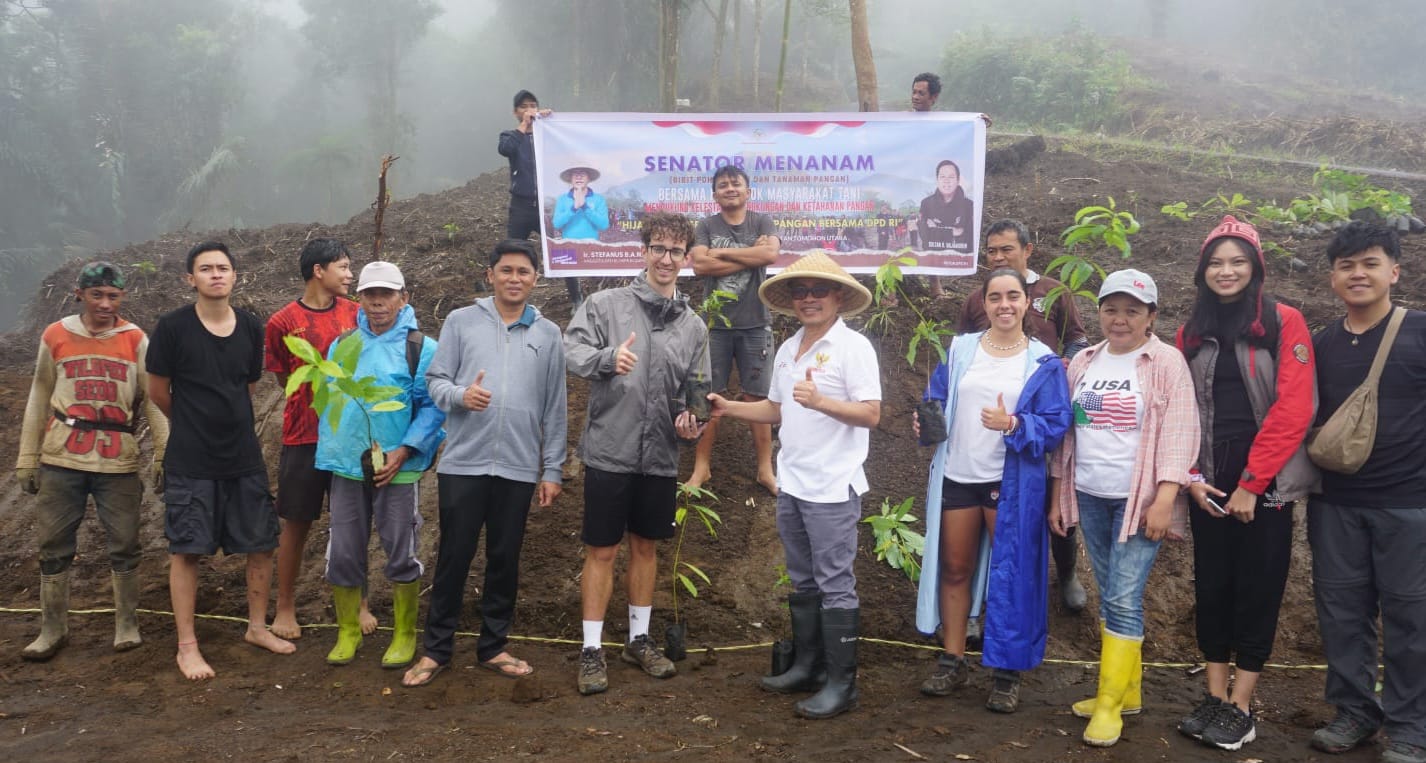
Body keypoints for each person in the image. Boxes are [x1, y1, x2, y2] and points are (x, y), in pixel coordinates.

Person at [709, 251, 881, 721]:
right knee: (803, 579)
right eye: (800, 291)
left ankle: (843, 684)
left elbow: (871, 413)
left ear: (838, 296)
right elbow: (776, 409)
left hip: (833, 486)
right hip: (794, 482)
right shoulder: (788, 349)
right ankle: (809, 667)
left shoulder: (854, 348)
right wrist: (728, 407)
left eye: (818, 290)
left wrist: (822, 401)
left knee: (835, 583)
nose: (808, 298)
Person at [1171, 216, 1317, 751]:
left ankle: (1241, 705)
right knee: (1213, 587)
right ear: (1202, 271)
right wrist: (1191, 477)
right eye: (1215, 262)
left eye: (1237, 261)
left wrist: (1253, 485)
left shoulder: (1283, 322)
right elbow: (1179, 410)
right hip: (1209, 482)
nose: (1226, 271)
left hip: (1266, 485)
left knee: (1258, 588)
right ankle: (1214, 696)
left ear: (1255, 268)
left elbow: (1293, 407)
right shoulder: (1191, 331)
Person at [402, 240, 567, 687]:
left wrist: (552, 469)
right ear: (490, 275)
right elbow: (435, 381)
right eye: (506, 270)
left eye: (524, 272)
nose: (515, 278)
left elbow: (555, 406)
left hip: (518, 466)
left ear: (535, 279)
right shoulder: (461, 322)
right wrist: (461, 395)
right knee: (453, 557)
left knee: (504, 558)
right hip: (464, 464)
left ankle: (493, 645)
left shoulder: (548, 334)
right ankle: (436, 649)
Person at [1049, 269, 1199, 747]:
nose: (1120, 319)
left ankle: (1109, 704)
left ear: (1151, 316)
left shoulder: (1166, 361)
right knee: (1112, 590)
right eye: (1111, 309)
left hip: (1140, 499)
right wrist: (1058, 494)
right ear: (1099, 313)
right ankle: (1127, 692)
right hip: (1091, 492)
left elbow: (1180, 430)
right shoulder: (1084, 361)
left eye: (1132, 311)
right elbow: (1067, 434)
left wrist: (1166, 497)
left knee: (1121, 596)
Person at [563, 210, 709, 696]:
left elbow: (698, 390)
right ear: (643, 251)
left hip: (660, 456)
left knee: (646, 547)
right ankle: (591, 648)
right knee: (602, 549)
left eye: (675, 251)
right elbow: (572, 350)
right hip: (610, 449)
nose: (666, 258)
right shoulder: (606, 306)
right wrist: (609, 358)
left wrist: (692, 422)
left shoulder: (693, 326)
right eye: (658, 248)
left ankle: (639, 640)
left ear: (685, 258)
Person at [915, 268, 1072, 713]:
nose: (1005, 305)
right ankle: (952, 659)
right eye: (995, 297)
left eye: (1013, 296)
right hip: (959, 473)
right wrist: (926, 421)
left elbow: (1057, 423)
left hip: (1010, 481)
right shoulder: (962, 349)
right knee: (955, 568)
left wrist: (1014, 423)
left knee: (1012, 572)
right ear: (984, 304)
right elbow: (937, 395)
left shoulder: (1042, 361)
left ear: (1027, 303)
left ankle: (1006, 672)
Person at [147, 241, 296, 679]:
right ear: (190, 279)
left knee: (261, 543)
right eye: (206, 268)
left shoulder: (250, 326)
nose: (216, 275)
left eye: (223, 268)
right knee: (187, 549)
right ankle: (187, 646)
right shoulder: (172, 327)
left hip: (243, 456)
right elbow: (158, 392)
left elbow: (247, 386)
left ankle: (256, 628)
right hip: (191, 459)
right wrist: (193, 422)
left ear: (235, 276)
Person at [1307, 222, 1426, 763]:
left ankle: (1411, 725)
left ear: (1394, 272)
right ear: (1333, 277)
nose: (1358, 274)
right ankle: (1355, 711)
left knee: (1411, 617)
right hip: (1336, 503)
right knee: (1341, 612)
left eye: (1370, 263)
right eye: (1346, 265)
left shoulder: (1419, 332)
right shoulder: (1321, 345)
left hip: (1410, 504)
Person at [15, 262, 169, 660]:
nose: (105, 304)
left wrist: (163, 454)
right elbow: (39, 393)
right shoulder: (56, 335)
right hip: (62, 455)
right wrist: (27, 456)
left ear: (122, 297)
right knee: (53, 543)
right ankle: (52, 628)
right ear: (79, 295)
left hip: (117, 458)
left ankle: (126, 623)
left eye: (113, 296)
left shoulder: (135, 339)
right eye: (96, 295)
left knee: (125, 541)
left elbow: (153, 399)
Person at [315, 261, 444, 669]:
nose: (377, 302)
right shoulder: (344, 345)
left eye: (386, 294)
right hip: (348, 466)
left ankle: (404, 633)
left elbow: (433, 407)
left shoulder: (421, 348)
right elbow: (331, 398)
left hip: (398, 468)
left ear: (403, 298)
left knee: (401, 549)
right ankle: (348, 630)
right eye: (370, 294)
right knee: (344, 551)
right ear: (360, 299)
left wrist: (403, 450)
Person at [959, 220, 1090, 617]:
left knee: (1055, 491)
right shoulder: (977, 299)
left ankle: (1066, 572)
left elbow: (1077, 339)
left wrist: (1064, 366)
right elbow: (963, 349)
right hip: (995, 416)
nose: (999, 257)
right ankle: (986, 591)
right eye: (992, 251)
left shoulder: (1053, 292)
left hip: (1044, 410)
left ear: (1028, 250)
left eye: (1007, 249)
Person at [263, 238, 375, 641]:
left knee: (354, 524)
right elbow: (285, 379)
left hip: (349, 436)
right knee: (296, 522)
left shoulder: (355, 314)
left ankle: (360, 602)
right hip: (304, 436)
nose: (350, 275)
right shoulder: (282, 322)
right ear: (318, 270)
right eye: (343, 267)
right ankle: (285, 606)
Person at [688, 164, 781, 495]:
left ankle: (765, 470)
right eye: (723, 185)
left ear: (748, 191)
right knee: (708, 395)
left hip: (756, 323)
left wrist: (723, 252)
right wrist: (751, 254)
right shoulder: (706, 225)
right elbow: (700, 264)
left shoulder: (762, 221)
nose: (730, 188)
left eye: (735, 183)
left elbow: (770, 253)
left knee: (758, 396)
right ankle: (701, 467)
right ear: (714, 194)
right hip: (715, 326)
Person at [498, 89, 582, 308]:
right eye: (524, 107)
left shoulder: (547, 134)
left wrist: (552, 123)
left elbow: (568, 145)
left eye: (533, 106)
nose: (529, 110)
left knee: (563, 248)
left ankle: (576, 299)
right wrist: (524, 126)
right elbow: (505, 149)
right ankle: (510, 301)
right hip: (521, 207)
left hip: (548, 206)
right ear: (515, 112)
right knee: (512, 253)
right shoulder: (510, 136)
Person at [918, 160, 974, 254]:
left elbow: (969, 239)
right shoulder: (926, 204)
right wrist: (954, 232)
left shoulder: (969, 205)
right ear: (937, 180)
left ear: (958, 180)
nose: (946, 180)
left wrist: (936, 229)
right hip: (933, 258)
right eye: (942, 177)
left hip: (960, 259)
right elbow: (925, 237)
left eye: (951, 177)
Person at [551, 166, 610, 241]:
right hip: (568, 245)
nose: (579, 177)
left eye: (582, 174)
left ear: (589, 178)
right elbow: (556, 224)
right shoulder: (562, 199)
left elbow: (604, 225)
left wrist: (585, 208)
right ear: (571, 179)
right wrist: (573, 209)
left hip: (591, 245)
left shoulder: (599, 199)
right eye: (575, 174)